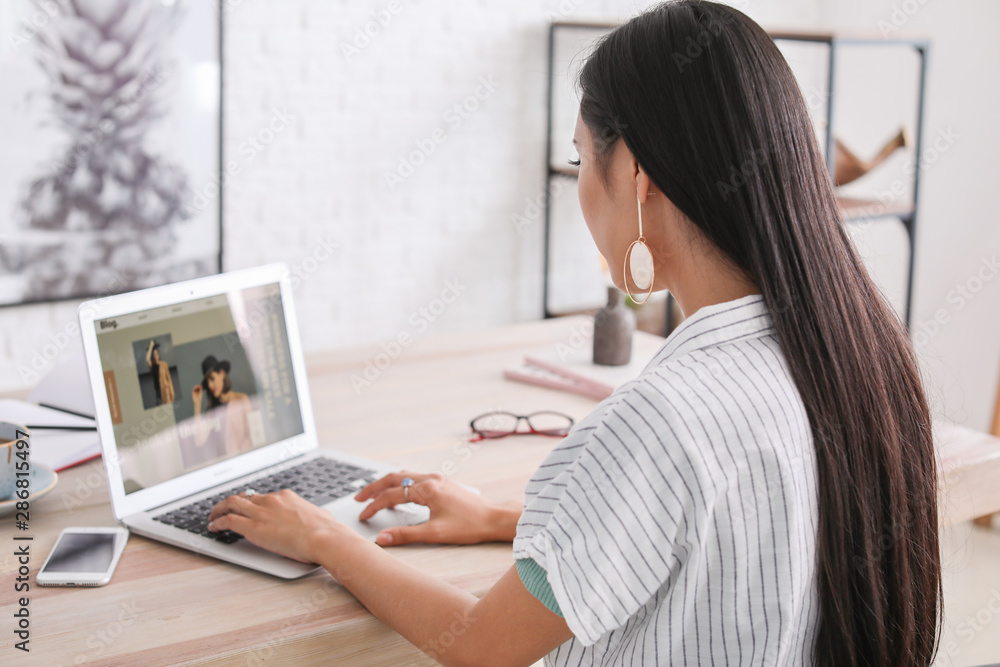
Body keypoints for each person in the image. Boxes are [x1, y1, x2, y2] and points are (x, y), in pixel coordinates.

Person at [207, 2, 941, 665]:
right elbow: (715, 529)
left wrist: (321, 536)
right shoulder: (851, 355)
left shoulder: (662, 418)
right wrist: (499, 517)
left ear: (641, 178)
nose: (582, 185)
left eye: (582, 157)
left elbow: (484, 644)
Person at [192, 355, 254, 457]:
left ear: (221, 374)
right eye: (207, 382)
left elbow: (252, 434)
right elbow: (199, 440)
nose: (210, 385)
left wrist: (239, 455)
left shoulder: (241, 399)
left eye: (212, 379)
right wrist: (197, 405)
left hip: (244, 460)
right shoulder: (211, 410)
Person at [146, 340, 174, 406]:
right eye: (153, 355)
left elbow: (169, 379)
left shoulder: (164, 364)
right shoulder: (152, 366)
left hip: (166, 391)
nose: (155, 356)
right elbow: (147, 359)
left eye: (156, 354)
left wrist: (171, 391)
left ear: (158, 354)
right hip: (158, 393)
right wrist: (151, 346)